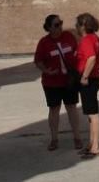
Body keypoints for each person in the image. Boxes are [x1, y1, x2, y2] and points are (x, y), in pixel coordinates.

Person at [33, 14, 83, 152]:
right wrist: (47, 71)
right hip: (52, 83)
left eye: (60, 23)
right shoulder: (44, 42)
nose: (60, 26)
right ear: (48, 28)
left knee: (71, 107)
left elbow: (77, 52)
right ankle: (54, 139)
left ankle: (77, 137)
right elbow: (38, 60)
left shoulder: (68, 36)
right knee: (54, 110)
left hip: (69, 80)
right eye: (56, 25)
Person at [74, 12, 99, 158]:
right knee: (90, 114)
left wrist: (85, 76)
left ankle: (96, 147)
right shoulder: (95, 38)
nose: (76, 27)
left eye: (77, 24)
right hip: (94, 78)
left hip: (89, 79)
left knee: (93, 114)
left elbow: (91, 58)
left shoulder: (87, 40)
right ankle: (91, 144)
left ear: (83, 26)